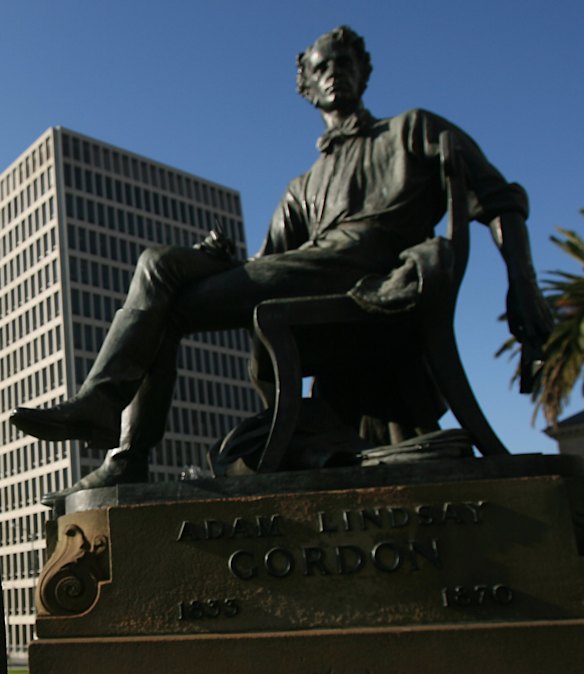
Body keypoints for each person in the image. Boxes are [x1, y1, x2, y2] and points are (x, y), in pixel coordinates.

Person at [11, 25, 551, 493]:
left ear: (364, 73)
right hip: (308, 274)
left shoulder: (411, 129)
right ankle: (112, 430)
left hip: (368, 272)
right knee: (159, 265)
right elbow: (268, 266)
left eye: (344, 63)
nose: (334, 72)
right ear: (306, 86)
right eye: (322, 67)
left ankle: (119, 443)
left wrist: (521, 284)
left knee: (165, 293)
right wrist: (221, 262)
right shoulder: (302, 188)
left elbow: (498, 199)